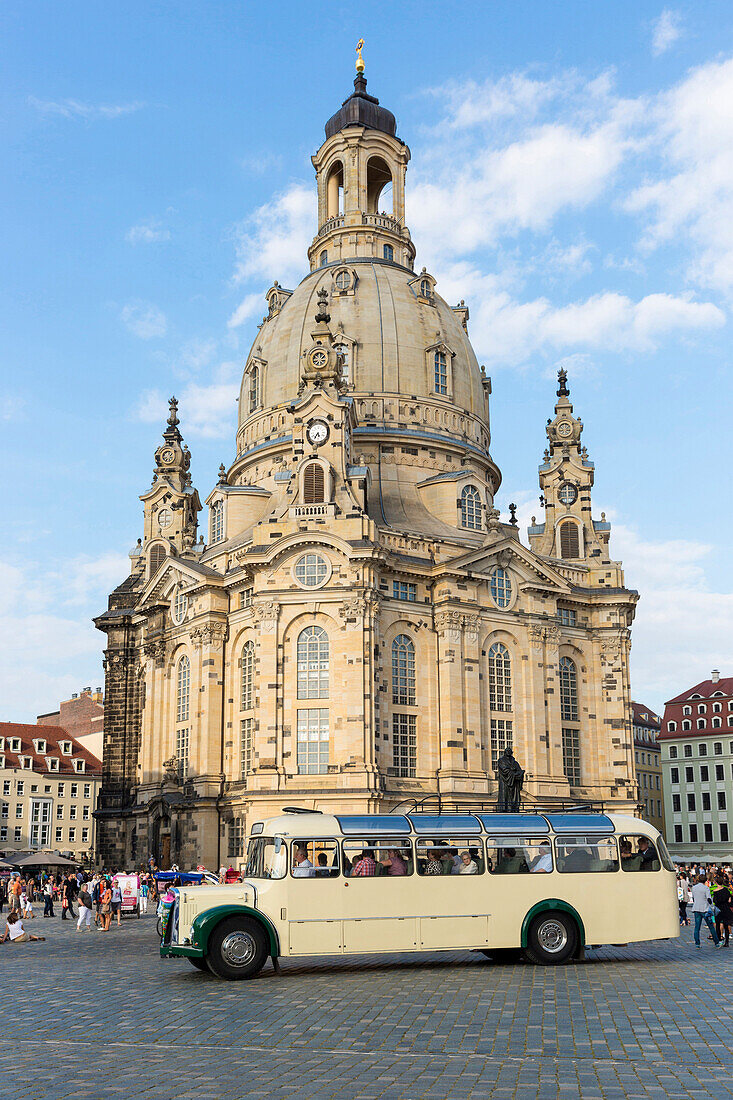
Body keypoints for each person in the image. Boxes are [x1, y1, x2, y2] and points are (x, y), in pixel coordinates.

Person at [691, 875, 722, 949]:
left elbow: (693, 898)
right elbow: (709, 899)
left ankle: (697, 944)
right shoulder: (706, 888)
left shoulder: (694, 888)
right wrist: (712, 907)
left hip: (696, 908)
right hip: (705, 909)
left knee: (697, 927)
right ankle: (716, 942)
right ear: (705, 880)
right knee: (711, 927)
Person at [712, 872, 733, 947]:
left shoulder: (715, 891)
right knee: (726, 925)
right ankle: (727, 942)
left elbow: (715, 901)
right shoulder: (726, 890)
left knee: (718, 925)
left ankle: (719, 940)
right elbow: (729, 900)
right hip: (726, 909)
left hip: (719, 910)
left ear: (716, 882)